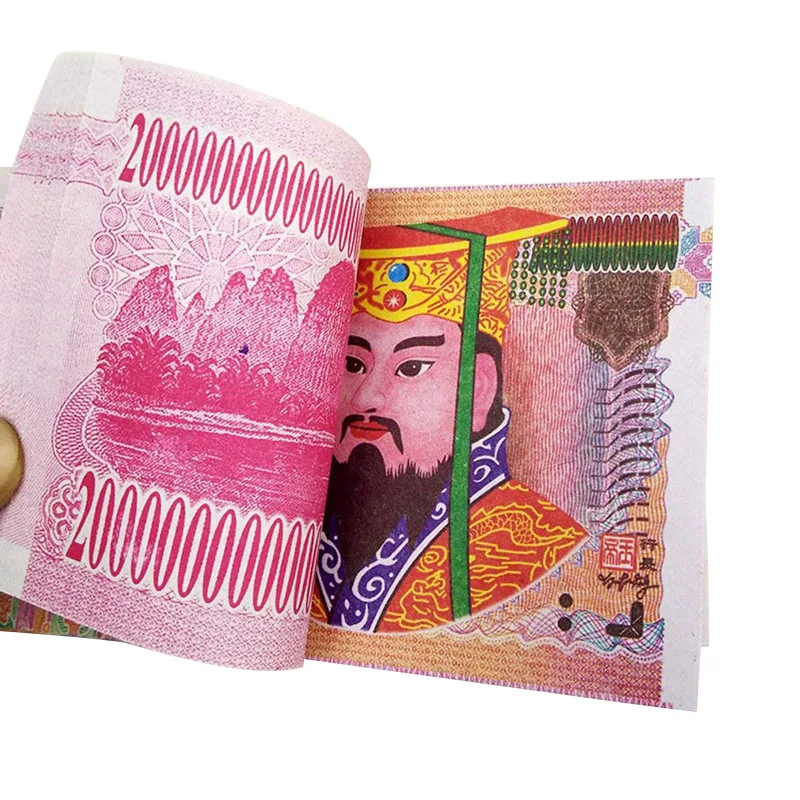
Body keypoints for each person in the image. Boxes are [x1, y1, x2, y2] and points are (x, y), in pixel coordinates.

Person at [312, 209, 588, 633]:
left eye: (411, 367)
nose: (366, 397)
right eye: (353, 363)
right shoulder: (301, 521)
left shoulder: (540, 548)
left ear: (479, 388)